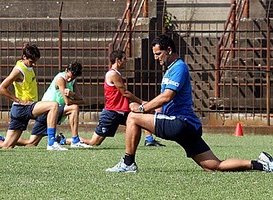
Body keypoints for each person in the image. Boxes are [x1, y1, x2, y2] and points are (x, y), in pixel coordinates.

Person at [105, 34, 273, 173]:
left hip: (180, 123)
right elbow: (165, 102)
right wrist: (149, 109)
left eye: (158, 54)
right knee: (214, 166)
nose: (156, 58)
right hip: (187, 126)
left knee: (133, 118)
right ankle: (261, 164)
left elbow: (167, 96)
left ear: (169, 50)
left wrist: (142, 108)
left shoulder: (179, 67)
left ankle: (128, 163)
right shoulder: (171, 69)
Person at [57, 49, 165, 147]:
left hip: (121, 110)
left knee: (141, 115)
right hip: (111, 112)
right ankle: (64, 140)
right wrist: (141, 102)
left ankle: (149, 139)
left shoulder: (116, 73)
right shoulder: (113, 74)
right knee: (94, 142)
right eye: (124, 59)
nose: (126, 61)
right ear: (118, 60)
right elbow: (125, 93)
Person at [0, 43, 67, 150]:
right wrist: (19, 100)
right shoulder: (18, 71)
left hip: (22, 109)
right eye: (32, 62)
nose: (34, 64)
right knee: (53, 106)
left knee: (7, 146)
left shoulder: (27, 65)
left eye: (35, 62)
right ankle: (51, 143)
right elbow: (1, 89)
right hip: (23, 108)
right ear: (24, 57)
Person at [14, 61, 91, 148]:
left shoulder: (72, 81)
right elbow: (68, 102)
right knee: (74, 108)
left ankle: (3, 139)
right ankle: (75, 141)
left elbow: (83, 101)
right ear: (66, 70)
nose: (69, 80)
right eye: (69, 76)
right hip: (46, 112)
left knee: (31, 143)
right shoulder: (61, 79)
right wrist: (74, 98)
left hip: (54, 113)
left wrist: (72, 94)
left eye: (72, 78)